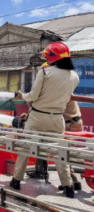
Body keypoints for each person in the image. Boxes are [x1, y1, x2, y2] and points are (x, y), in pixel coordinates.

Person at [12, 42, 79, 198]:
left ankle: (16, 180)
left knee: (25, 148)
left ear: (52, 57)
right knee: (59, 153)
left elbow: (34, 96)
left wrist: (22, 96)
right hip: (57, 119)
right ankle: (68, 186)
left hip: (37, 117)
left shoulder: (45, 72)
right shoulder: (74, 76)